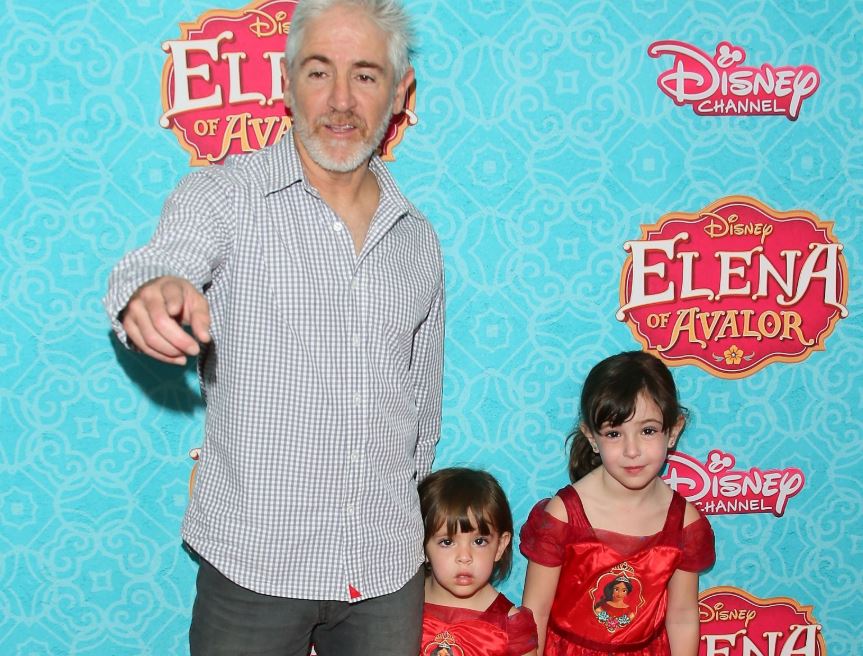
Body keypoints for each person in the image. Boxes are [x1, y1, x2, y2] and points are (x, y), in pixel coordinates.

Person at [103, 1, 444, 654]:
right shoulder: (224, 196)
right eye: (318, 72)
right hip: (253, 568)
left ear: (399, 93)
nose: (340, 100)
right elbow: (158, 265)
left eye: (366, 76)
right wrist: (151, 295)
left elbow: (420, 409)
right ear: (287, 82)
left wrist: (397, 510)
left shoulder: (417, 238)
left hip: (385, 569)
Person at [520, 352, 715, 655]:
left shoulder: (684, 522)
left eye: (648, 431)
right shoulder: (564, 515)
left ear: (673, 431)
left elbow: (682, 616)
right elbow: (535, 613)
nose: (632, 450)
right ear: (592, 437)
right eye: (614, 433)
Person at [419, 468, 537, 656]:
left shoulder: (510, 626)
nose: (465, 557)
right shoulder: (403, 607)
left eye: (479, 541)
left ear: (500, 546)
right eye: (447, 542)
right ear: (422, 546)